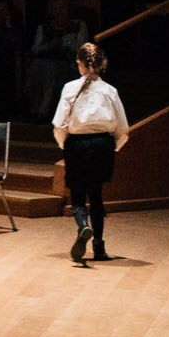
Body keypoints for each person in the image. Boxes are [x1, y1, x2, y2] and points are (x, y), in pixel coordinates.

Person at [52, 42, 130, 264]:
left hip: (77, 143)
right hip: (102, 144)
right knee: (96, 195)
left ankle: (83, 225)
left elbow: (59, 124)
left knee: (77, 195)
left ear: (80, 64)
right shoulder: (110, 91)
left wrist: (65, 145)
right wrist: (111, 146)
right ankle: (99, 247)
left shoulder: (69, 88)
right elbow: (123, 128)